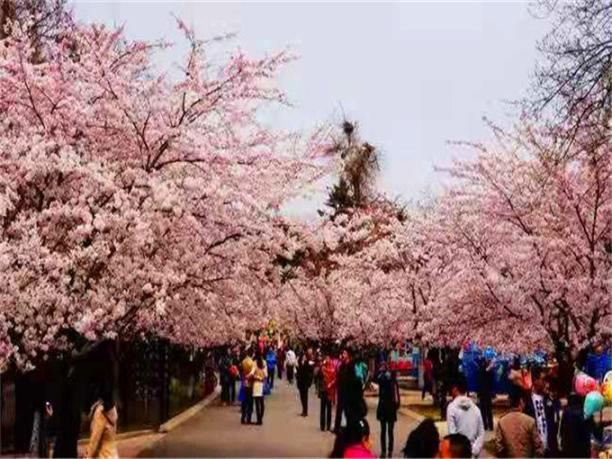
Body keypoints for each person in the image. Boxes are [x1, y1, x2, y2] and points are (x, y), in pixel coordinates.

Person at [523, 367, 559, 457]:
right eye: (542, 379)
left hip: (549, 448)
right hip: (533, 449)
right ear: (535, 380)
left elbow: (555, 421)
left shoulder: (549, 399)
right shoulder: (527, 400)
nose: (545, 383)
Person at [494, 392, 544, 457]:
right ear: (521, 402)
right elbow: (538, 446)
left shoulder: (502, 421)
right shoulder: (530, 421)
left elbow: (499, 447)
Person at [446, 375, 485, 457]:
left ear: (455, 389)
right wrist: (474, 450)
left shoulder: (451, 408)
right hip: (473, 454)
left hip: (459, 453)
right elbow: (481, 433)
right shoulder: (476, 409)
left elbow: (452, 434)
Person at [334, 349, 366, 433]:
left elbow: (353, 379)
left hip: (348, 392)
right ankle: (336, 428)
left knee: (348, 412)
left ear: (348, 355)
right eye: (342, 353)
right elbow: (339, 376)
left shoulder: (351, 365)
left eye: (344, 353)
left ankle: (349, 428)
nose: (343, 355)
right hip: (341, 390)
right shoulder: (341, 365)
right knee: (339, 410)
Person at [376, 362, 400, 458]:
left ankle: (386, 451)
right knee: (387, 430)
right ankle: (386, 450)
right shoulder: (387, 378)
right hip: (388, 407)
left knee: (386, 430)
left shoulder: (385, 378)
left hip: (386, 406)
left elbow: (395, 392)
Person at [559, 393, 591, 458]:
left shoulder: (566, 411)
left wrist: (562, 442)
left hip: (569, 446)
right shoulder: (584, 411)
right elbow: (587, 430)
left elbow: (562, 428)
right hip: (582, 446)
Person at [316, 353, 337, 431]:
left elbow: (335, 379)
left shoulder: (333, 369)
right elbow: (318, 377)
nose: (327, 360)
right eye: (326, 358)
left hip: (330, 392)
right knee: (322, 409)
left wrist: (330, 384)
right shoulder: (322, 368)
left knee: (329, 409)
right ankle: (322, 426)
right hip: (323, 390)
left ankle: (328, 426)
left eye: (328, 358)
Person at [477, 357, 494, 431]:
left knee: (485, 409)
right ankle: (487, 425)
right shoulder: (484, 370)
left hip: (484, 391)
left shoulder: (485, 370)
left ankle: (487, 425)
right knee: (486, 409)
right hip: (485, 391)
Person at [297, 350, 315, 416]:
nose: (304, 358)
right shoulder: (299, 363)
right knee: (302, 397)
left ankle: (305, 411)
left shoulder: (308, 363)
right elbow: (298, 372)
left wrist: (309, 382)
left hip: (305, 383)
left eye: (305, 357)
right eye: (303, 357)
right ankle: (303, 410)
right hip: (300, 382)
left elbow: (310, 372)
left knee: (305, 397)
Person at [240, 349, 255, 424]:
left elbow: (241, 371)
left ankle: (243, 417)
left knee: (244, 401)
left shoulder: (243, 361)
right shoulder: (251, 362)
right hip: (250, 383)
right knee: (250, 401)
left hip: (244, 382)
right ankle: (248, 418)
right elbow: (252, 373)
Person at [252, 356, 267, 425]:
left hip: (256, 385)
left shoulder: (254, 363)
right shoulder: (264, 364)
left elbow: (252, 374)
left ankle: (259, 420)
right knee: (262, 402)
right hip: (262, 385)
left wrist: (256, 377)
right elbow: (266, 375)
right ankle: (261, 418)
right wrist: (262, 378)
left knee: (257, 403)